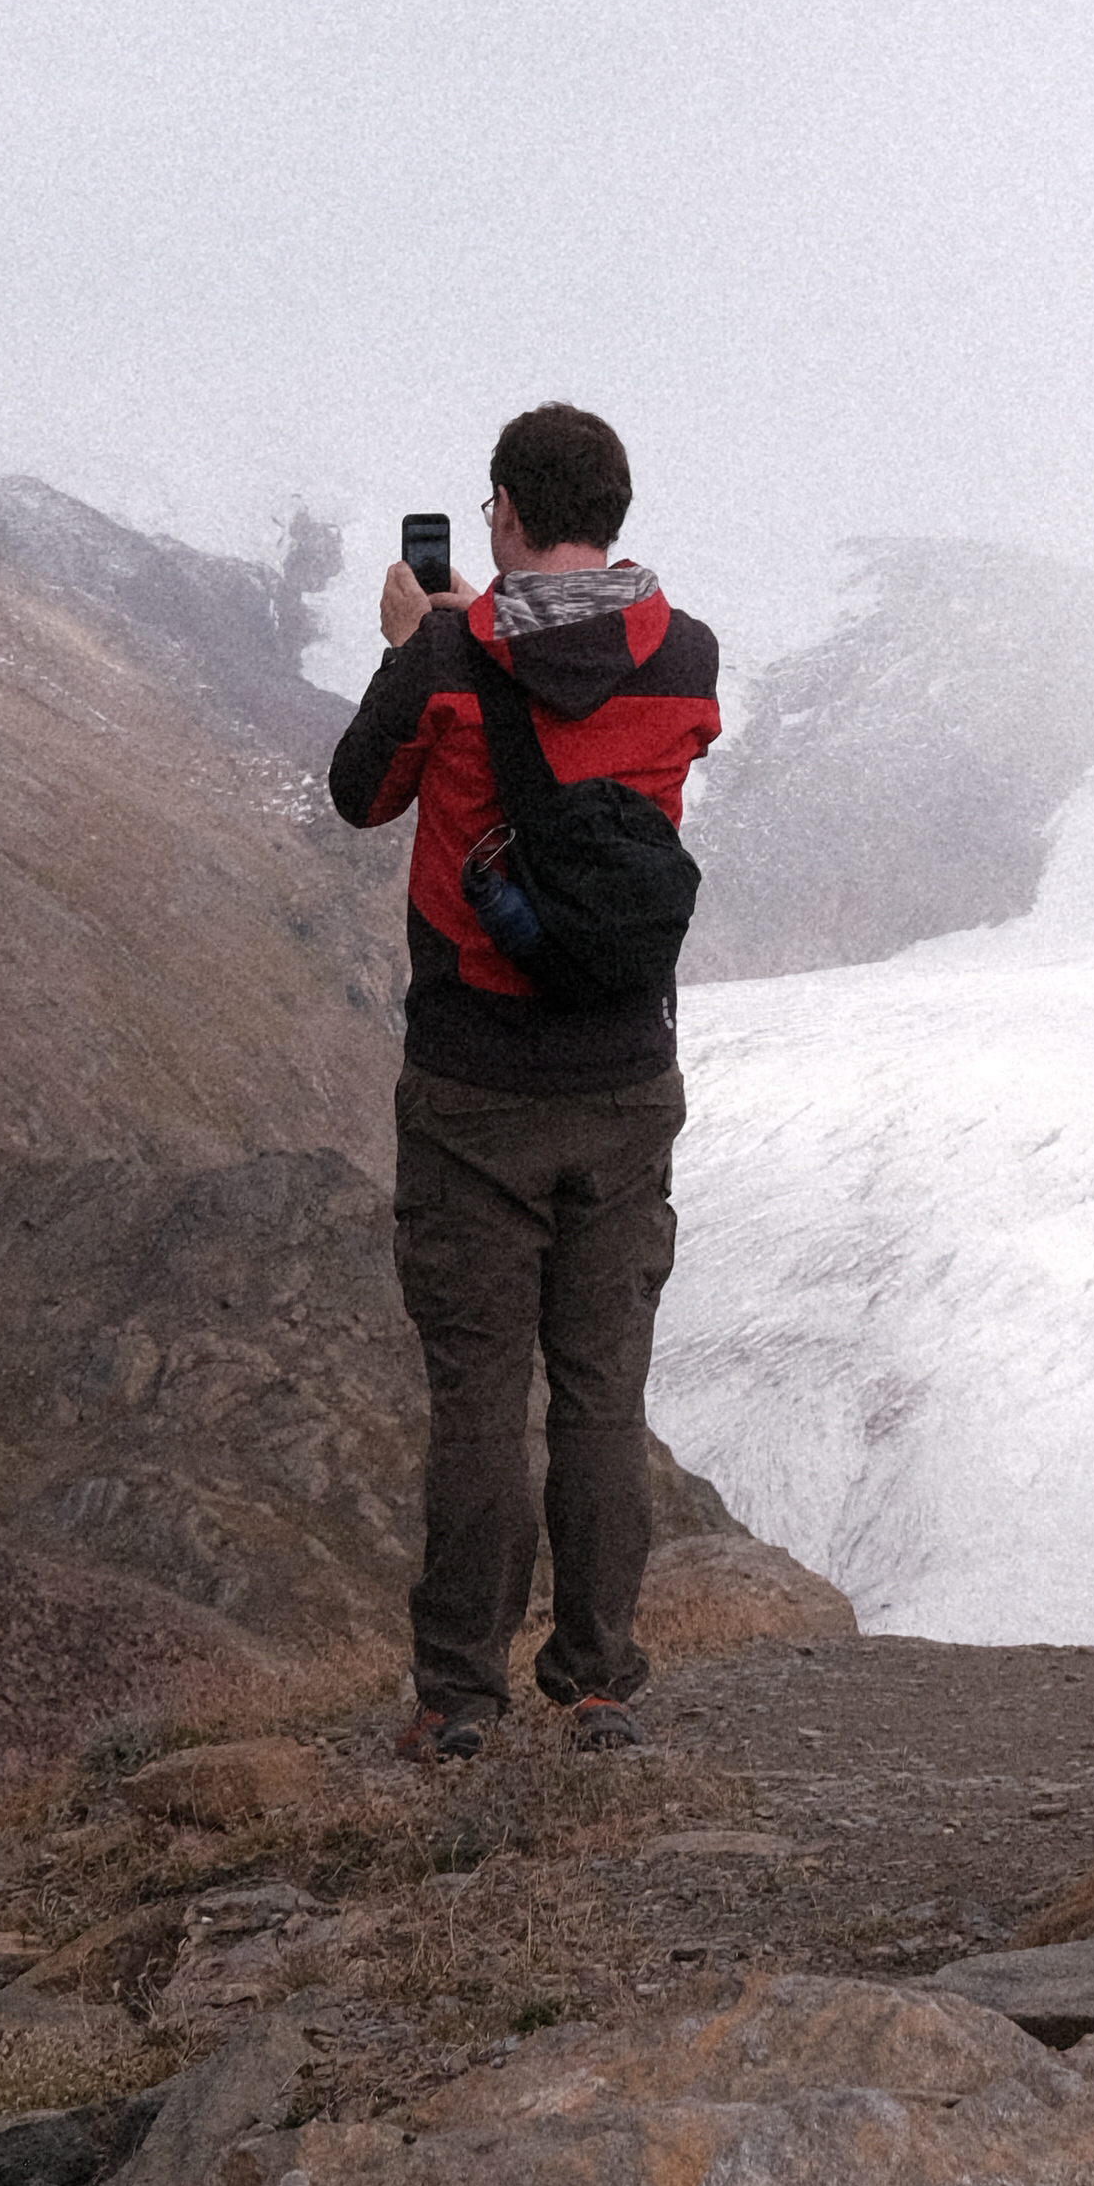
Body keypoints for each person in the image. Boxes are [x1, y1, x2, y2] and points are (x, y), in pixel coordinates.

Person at [327, 403, 720, 1760]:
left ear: (500, 510)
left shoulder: (445, 652)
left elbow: (360, 793)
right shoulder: (690, 661)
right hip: (624, 1077)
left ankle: (459, 1701)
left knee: (482, 1402)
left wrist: (412, 645)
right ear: (613, 511)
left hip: (474, 1083)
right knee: (603, 1392)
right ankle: (601, 1678)